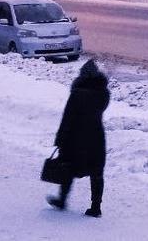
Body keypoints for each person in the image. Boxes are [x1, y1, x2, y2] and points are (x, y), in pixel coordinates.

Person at [47, 60, 110, 218]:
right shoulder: (103, 94)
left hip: (75, 137)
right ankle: (96, 207)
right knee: (96, 172)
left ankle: (62, 200)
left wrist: (59, 139)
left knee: (67, 167)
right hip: (96, 136)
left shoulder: (77, 94)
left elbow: (67, 118)